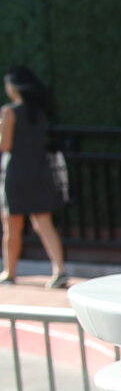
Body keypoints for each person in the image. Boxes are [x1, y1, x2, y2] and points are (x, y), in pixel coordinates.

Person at [1, 68, 69, 290]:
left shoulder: (9, 112)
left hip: (16, 173)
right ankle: (59, 270)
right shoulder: (40, 112)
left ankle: (10, 272)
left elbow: (5, 145)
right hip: (39, 171)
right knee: (43, 222)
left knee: (12, 224)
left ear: (13, 87)